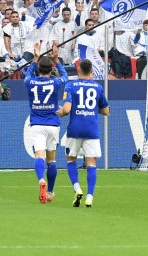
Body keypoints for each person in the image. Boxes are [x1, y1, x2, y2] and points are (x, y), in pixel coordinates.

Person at [57, 59, 109, 208]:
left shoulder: (71, 85)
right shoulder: (98, 87)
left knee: (71, 159)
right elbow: (106, 111)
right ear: (91, 70)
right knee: (91, 162)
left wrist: (61, 113)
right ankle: (90, 197)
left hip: (75, 128)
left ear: (78, 69)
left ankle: (77, 189)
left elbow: (66, 110)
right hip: (91, 129)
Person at [24, 52, 64, 204]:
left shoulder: (30, 82)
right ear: (51, 69)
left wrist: (34, 59)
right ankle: (50, 191)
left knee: (39, 156)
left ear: (38, 68)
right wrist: (57, 60)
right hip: (53, 124)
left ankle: (41, 179)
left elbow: (27, 74)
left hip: (37, 124)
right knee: (52, 160)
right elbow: (65, 76)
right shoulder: (55, 83)